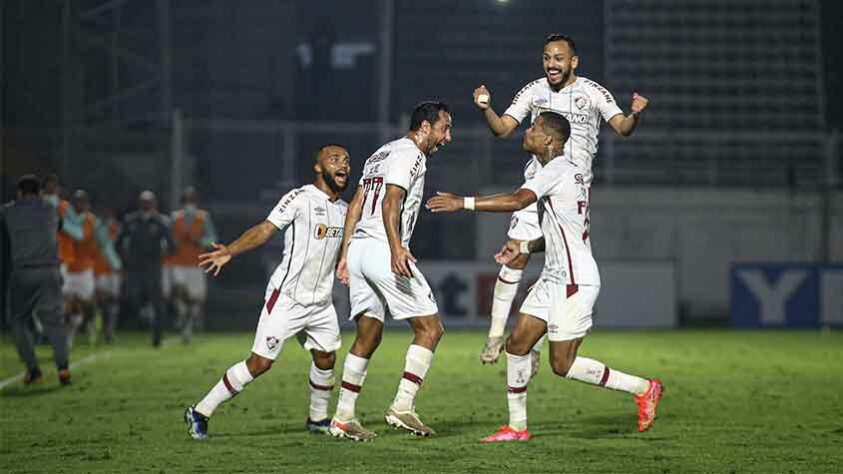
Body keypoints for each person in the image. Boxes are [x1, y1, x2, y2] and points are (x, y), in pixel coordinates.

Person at [426, 112, 664, 440]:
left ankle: (643, 388)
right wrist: (523, 245)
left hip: (574, 281)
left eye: (534, 128)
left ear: (549, 140)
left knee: (562, 365)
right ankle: (517, 427)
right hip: (554, 277)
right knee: (518, 344)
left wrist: (461, 202)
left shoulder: (556, 170)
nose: (528, 131)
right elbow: (560, 231)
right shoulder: (565, 172)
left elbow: (516, 200)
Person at [472, 34, 650, 368]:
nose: (551, 64)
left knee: (560, 262)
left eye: (558, 58)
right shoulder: (533, 90)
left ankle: (536, 340)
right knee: (516, 252)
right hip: (536, 183)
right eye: (546, 58)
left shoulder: (593, 92)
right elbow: (502, 129)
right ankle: (496, 335)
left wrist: (636, 114)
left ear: (573, 62)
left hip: (572, 188)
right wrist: (486, 108)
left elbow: (623, 127)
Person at [183, 144, 351, 440]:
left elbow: (349, 248)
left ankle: (317, 418)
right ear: (318, 167)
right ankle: (200, 411)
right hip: (287, 298)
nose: (343, 165)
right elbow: (265, 229)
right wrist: (230, 252)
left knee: (326, 358)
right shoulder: (299, 198)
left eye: (347, 161)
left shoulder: (345, 210)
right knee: (260, 363)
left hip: (322, 302)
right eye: (334, 159)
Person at [329, 101, 452, 441]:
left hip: (359, 251)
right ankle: (402, 406)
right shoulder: (411, 154)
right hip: (384, 249)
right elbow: (391, 201)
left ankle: (342, 416)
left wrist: (345, 255)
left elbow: (355, 205)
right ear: (425, 127)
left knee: (368, 335)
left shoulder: (380, 154)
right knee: (430, 328)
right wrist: (397, 247)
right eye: (445, 128)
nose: (448, 137)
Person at [0, 175, 71, 385]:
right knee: (55, 322)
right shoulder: (50, 208)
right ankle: (64, 369)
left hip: (24, 273)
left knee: (18, 319)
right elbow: (59, 227)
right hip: (50, 271)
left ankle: (33, 369)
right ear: (40, 192)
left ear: (20, 193)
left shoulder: (10, 210)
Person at [116, 191, 175, 346]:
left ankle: (157, 337)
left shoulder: (161, 221)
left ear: (154, 203)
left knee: (157, 303)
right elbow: (118, 242)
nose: (146, 205)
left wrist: (162, 255)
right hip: (134, 267)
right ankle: (143, 314)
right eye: (143, 201)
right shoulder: (131, 220)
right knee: (132, 296)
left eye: (149, 202)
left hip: (153, 267)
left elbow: (172, 245)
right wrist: (125, 259)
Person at [64, 190, 120, 347]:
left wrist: (115, 264)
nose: (78, 205)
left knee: (84, 303)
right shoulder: (64, 217)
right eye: (76, 201)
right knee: (65, 303)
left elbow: (103, 244)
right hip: (66, 269)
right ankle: (66, 335)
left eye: (81, 201)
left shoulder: (91, 221)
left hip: (84, 270)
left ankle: (87, 321)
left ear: (87, 204)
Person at [166, 186, 218, 343]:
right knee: (179, 288)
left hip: (196, 262)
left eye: (192, 200)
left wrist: (199, 241)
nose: (189, 203)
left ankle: (187, 327)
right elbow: (168, 238)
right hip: (178, 261)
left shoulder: (203, 217)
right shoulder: (175, 218)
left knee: (195, 299)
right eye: (187, 200)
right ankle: (181, 314)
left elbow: (212, 238)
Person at [92, 207, 122, 343]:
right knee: (99, 300)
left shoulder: (117, 228)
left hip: (114, 269)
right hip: (100, 269)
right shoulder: (96, 228)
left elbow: (119, 246)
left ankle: (110, 330)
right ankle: (97, 329)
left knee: (113, 300)